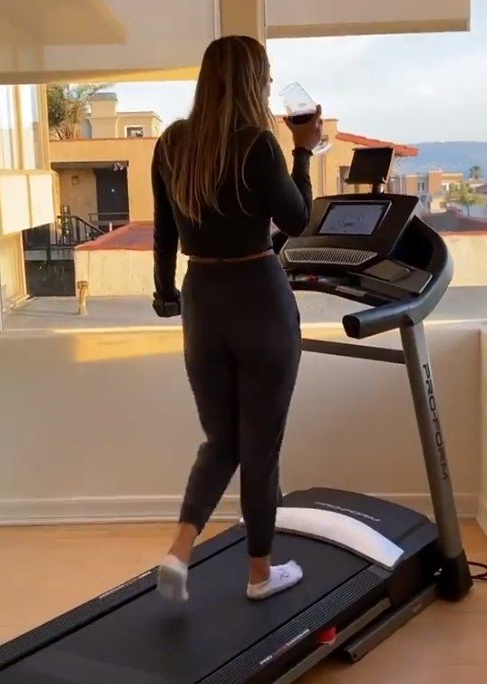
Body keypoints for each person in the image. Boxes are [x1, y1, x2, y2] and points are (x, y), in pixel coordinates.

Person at [150, 35, 323, 602]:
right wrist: (303, 150)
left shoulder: (172, 143)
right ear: (253, 81)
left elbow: (164, 231)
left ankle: (179, 551)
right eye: (265, 77)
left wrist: (165, 294)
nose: (268, 85)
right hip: (259, 300)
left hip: (201, 301)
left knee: (221, 440)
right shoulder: (258, 144)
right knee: (260, 448)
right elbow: (296, 220)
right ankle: (259, 574)